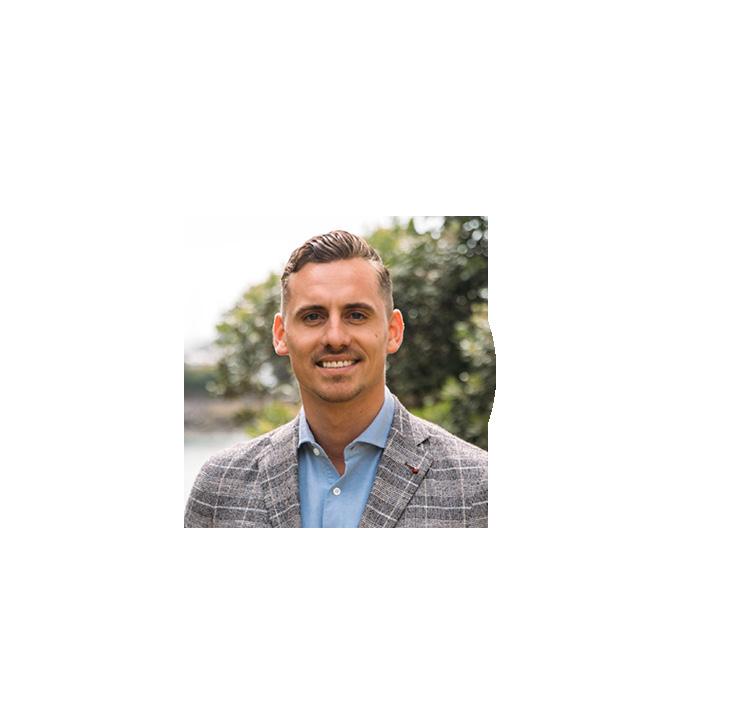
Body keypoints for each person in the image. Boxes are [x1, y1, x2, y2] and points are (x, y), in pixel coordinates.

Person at [185, 230, 488, 528]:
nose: (335, 338)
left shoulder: (479, 488)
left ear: (393, 331)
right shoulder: (219, 487)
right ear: (281, 335)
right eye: (313, 317)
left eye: (356, 315)